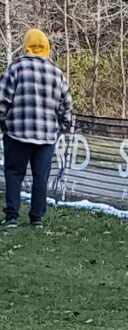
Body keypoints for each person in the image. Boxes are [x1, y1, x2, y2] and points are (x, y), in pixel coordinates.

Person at [0, 29, 74, 228]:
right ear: (46, 47)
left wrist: (3, 124)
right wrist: (60, 127)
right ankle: (36, 218)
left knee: (14, 173)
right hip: (46, 136)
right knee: (41, 176)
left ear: (27, 45)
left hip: (17, 133)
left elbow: (2, 99)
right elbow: (66, 106)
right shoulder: (57, 73)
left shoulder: (15, 68)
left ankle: (12, 217)